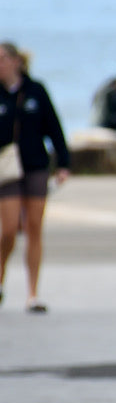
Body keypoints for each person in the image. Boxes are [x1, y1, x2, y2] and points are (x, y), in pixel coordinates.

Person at [0, 41, 71, 313]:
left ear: (17, 61)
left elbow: (54, 127)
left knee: (34, 229)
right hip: (5, 169)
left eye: (4, 58)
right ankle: (1, 280)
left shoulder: (36, 91)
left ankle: (33, 293)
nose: (0, 63)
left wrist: (63, 163)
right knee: (7, 231)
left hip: (34, 165)